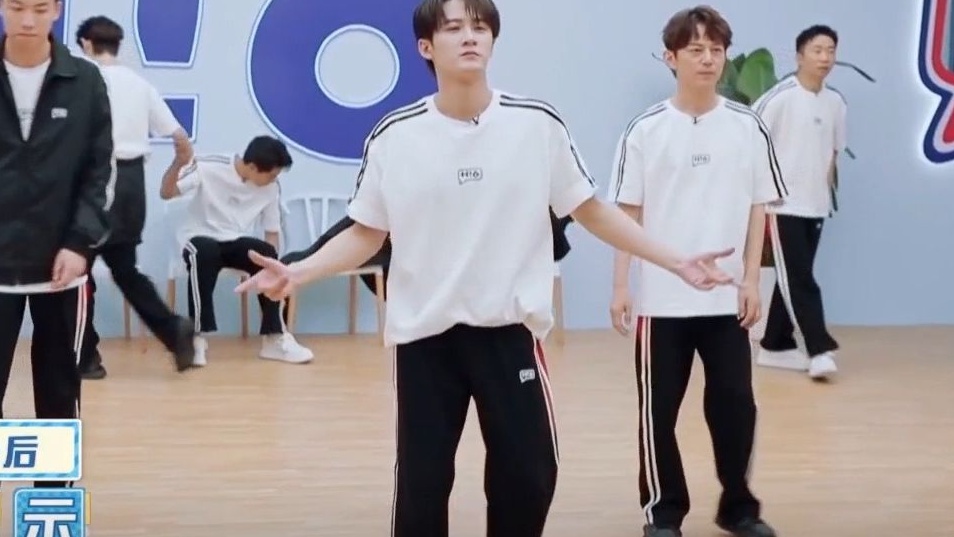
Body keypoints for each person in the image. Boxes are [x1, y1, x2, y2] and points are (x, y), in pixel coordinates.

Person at [237, 1, 738, 535]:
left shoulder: (535, 124)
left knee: (529, 477)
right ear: (426, 47)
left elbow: (590, 209)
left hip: (508, 333)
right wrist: (298, 271)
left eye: (480, 27)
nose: (470, 37)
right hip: (425, 338)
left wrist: (674, 260)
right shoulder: (395, 135)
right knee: (422, 487)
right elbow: (366, 232)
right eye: (453, 28)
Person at [608, 7, 784, 537]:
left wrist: (751, 279)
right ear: (671, 57)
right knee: (657, 413)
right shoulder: (645, 130)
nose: (708, 59)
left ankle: (739, 507)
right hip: (661, 304)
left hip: (726, 301)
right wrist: (621, 285)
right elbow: (627, 214)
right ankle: (663, 514)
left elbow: (759, 207)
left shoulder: (747, 126)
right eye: (695, 49)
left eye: (716, 49)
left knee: (735, 407)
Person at [0, 0, 112, 488]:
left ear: (58, 10)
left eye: (40, 7)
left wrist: (79, 242)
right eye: (16, 6)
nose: (27, 19)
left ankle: (51, 497)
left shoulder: (85, 81)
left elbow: (98, 172)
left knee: (58, 390)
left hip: (61, 266)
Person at [74, 15, 196, 378]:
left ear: (86, 45)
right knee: (125, 269)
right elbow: (181, 141)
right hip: (131, 185)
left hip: (95, 183)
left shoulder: (83, 80)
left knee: (79, 271)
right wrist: (175, 167)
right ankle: (172, 329)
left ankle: (86, 357)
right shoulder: (141, 85)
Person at [159, 135, 313, 367]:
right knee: (203, 252)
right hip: (198, 237)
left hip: (234, 240)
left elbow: (272, 232)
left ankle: (274, 337)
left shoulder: (271, 187)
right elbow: (167, 193)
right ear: (252, 167)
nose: (274, 179)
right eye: (271, 175)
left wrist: (271, 264)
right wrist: (178, 163)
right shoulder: (208, 166)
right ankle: (196, 337)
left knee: (266, 254)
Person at [751, 25, 845, 381]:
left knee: (792, 276)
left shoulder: (835, 102)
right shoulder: (780, 97)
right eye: (817, 50)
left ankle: (775, 344)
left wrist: (824, 197)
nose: (825, 57)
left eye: (830, 51)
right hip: (782, 205)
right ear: (799, 56)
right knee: (801, 277)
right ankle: (819, 349)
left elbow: (832, 154)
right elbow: (748, 139)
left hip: (815, 206)